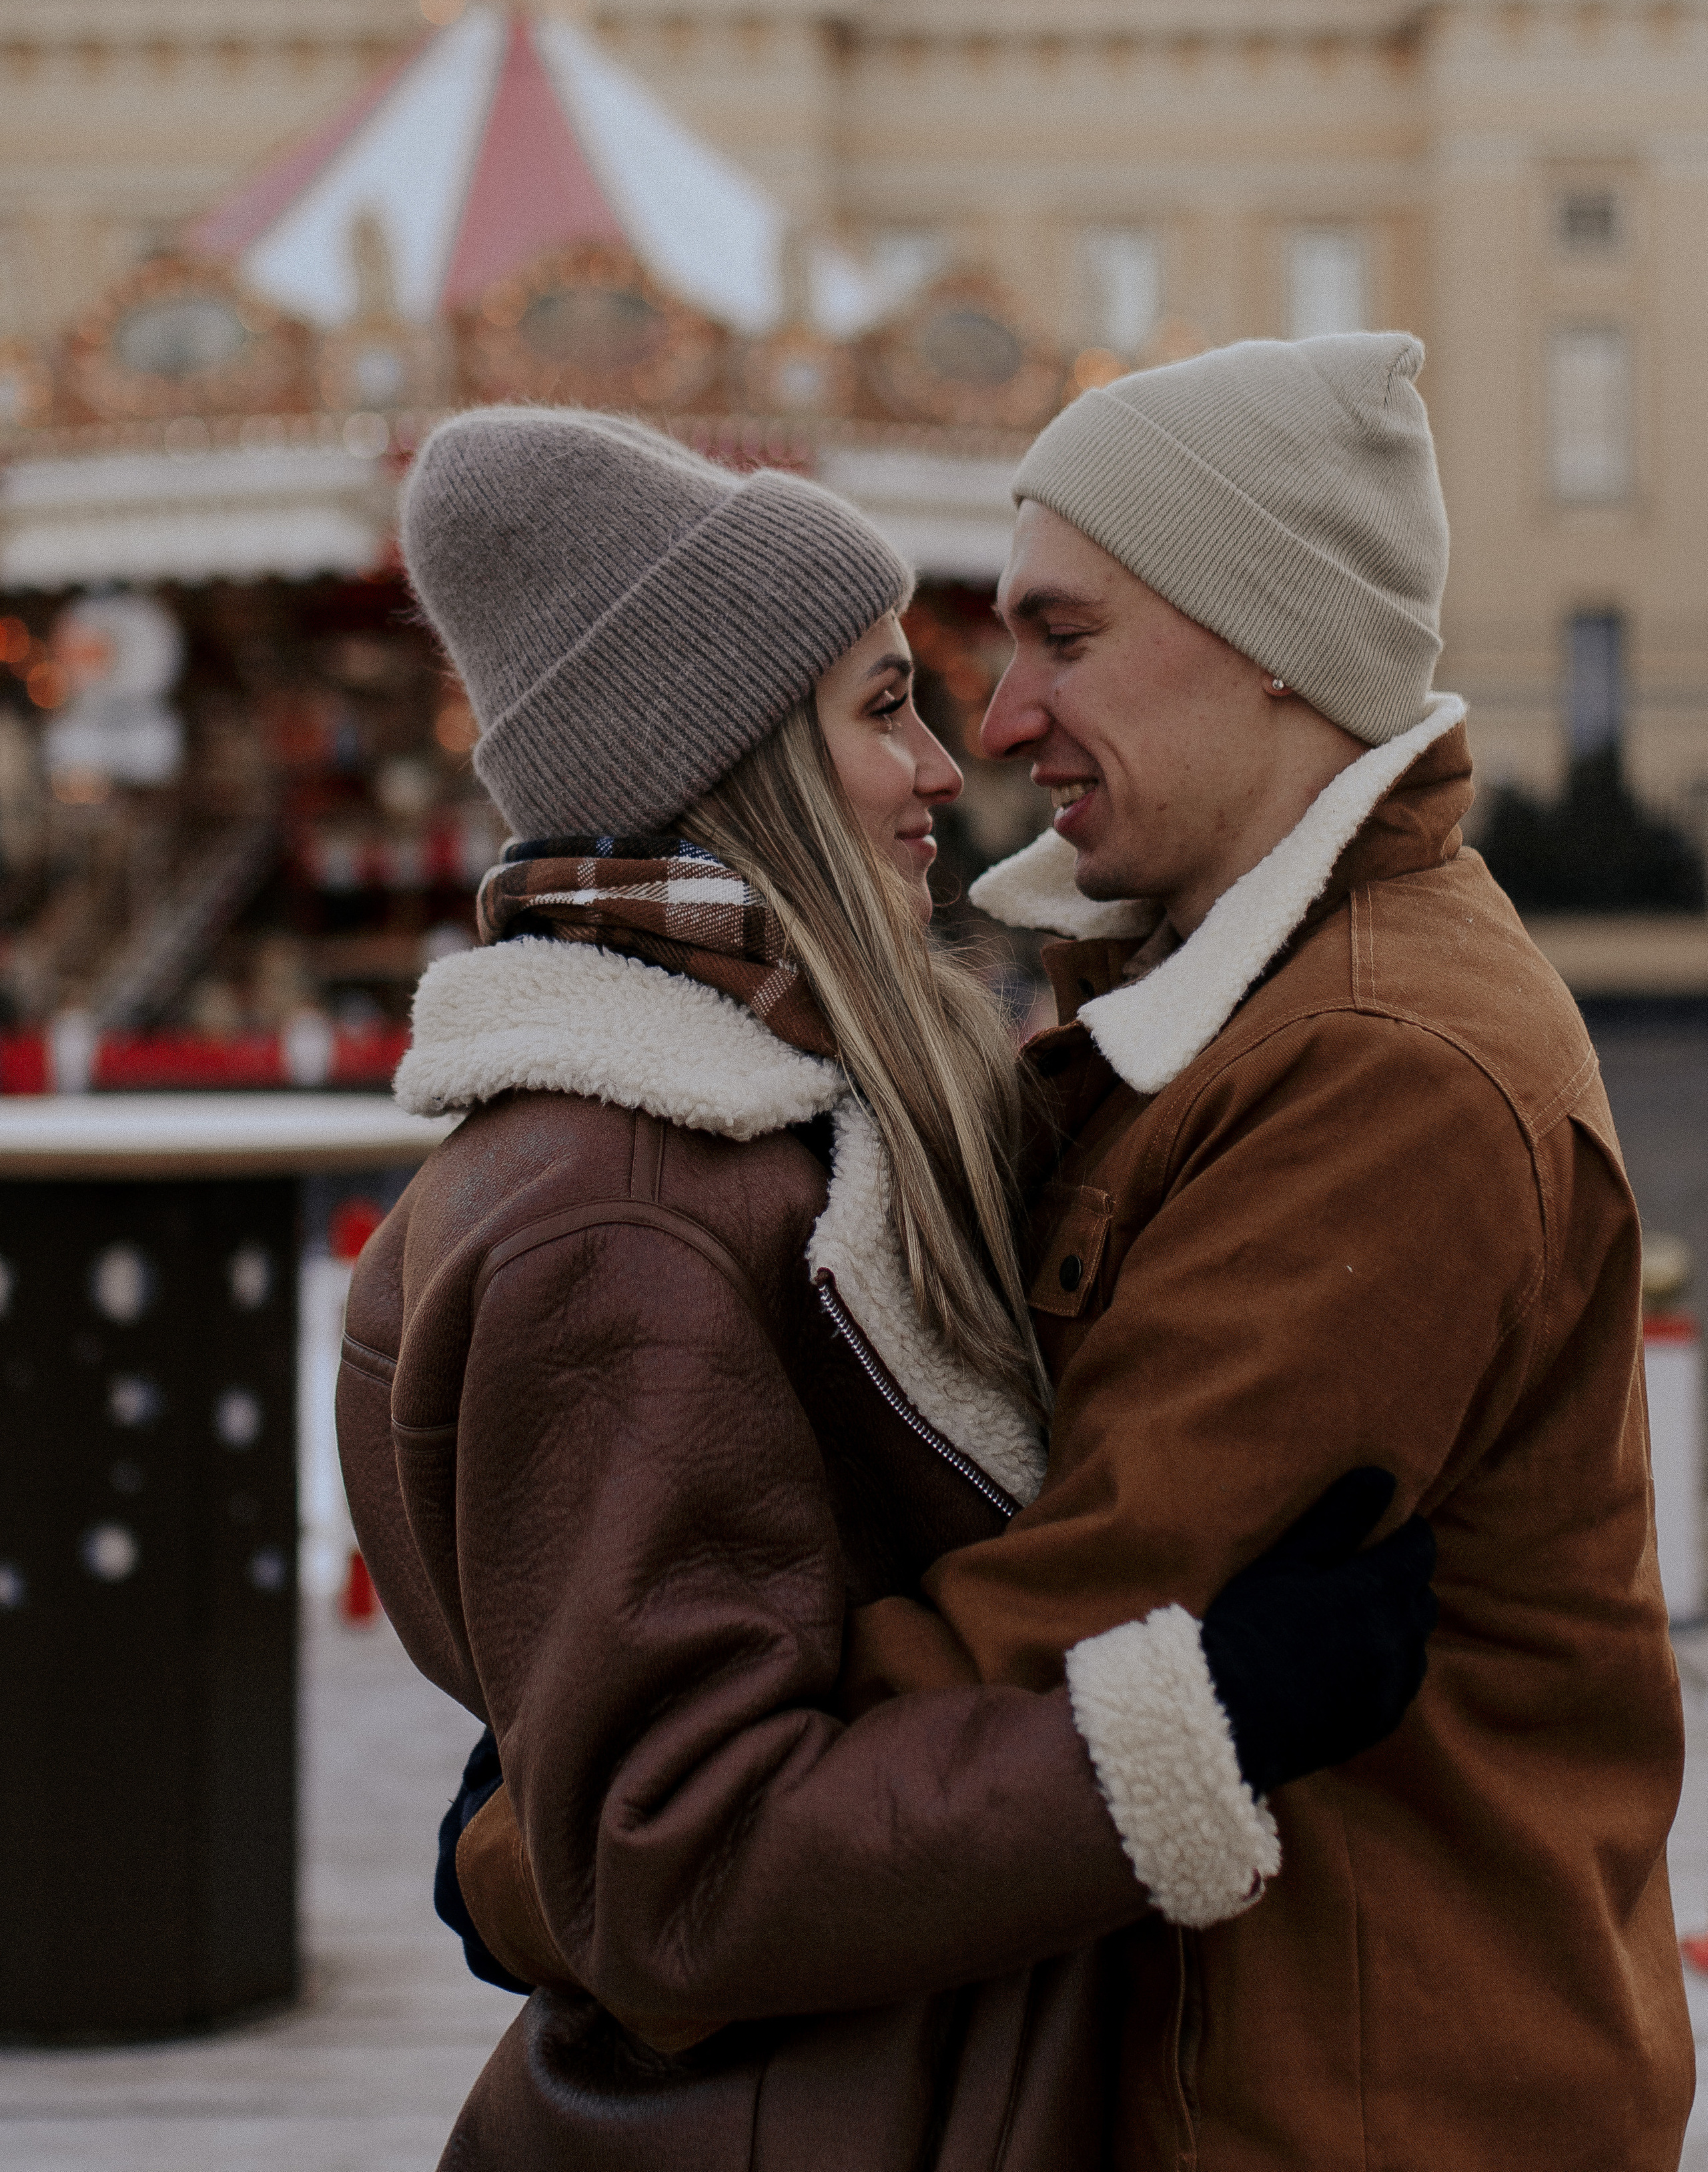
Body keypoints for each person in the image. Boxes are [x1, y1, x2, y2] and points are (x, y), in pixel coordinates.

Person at [338, 406, 1436, 2171]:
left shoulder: (766, 1134)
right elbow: (680, 1865)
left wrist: (537, 1830)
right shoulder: (625, 1211)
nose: (945, 765)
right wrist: (1203, 1724)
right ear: (741, 762)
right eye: (881, 708)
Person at [853, 329, 1691, 2169]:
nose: (1000, 719)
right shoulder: (1248, 1011)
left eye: (1064, 638)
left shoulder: (1376, 1067)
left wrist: (614, 1840)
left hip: (1352, 2107)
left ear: (1272, 639)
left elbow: (1070, 1625)